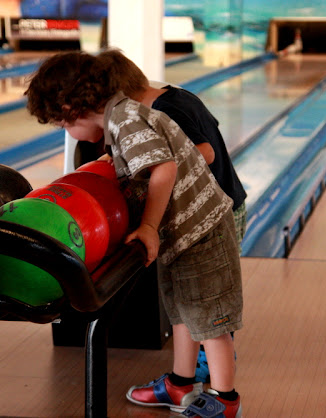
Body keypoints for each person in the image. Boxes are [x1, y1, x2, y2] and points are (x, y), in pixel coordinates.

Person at [24, 51, 243, 418]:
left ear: (70, 109)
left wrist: (148, 227)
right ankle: (180, 383)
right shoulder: (122, 117)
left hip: (202, 232)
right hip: (184, 235)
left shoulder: (125, 119)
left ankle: (224, 401)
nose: (66, 132)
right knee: (183, 313)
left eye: (62, 125)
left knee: (210, 322)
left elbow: (163, 169)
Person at [97, 48, 246, 384]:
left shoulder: (166, 108)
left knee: (211, 299)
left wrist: (146, 162)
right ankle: (190, 372)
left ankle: (213, 368)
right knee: (196, 298)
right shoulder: (174, 97)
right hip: (212, 207)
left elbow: (205, 152)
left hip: (213, 210)